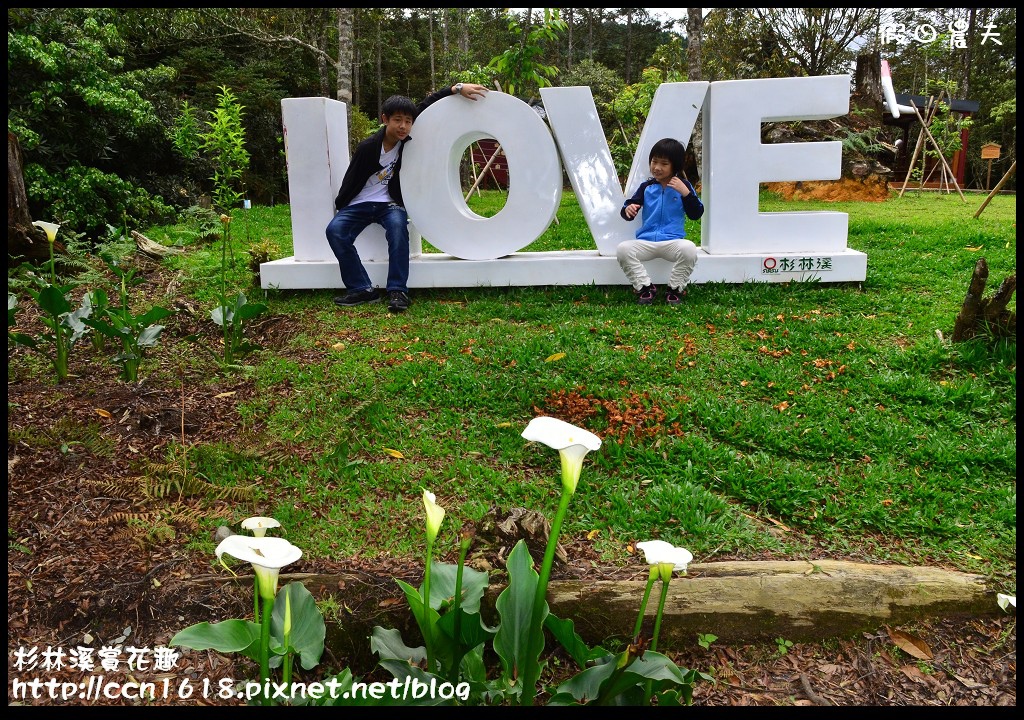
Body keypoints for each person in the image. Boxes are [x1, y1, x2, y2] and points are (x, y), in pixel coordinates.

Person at [327, 81, 488, 313]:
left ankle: (397, 291)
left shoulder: (408, 143)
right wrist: (342, 206)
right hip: (361, 203)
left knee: (398, 229)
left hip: (390, 204)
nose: (403, 126)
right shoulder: (368, 148)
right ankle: (361, 288)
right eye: (397, 120)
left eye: (408, 121)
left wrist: (456, 88)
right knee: (335, 231)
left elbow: (426, 106)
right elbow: (350, 180)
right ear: (385, 119)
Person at [617, 137, 704, 306]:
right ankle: (645, 288)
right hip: (646, 242)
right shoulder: (646, 187)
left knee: (689, 249)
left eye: (664, 164)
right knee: (623, 249)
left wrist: (686, 193)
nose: (657, 168)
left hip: (672, 242)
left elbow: (696, 213)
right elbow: (628, 210)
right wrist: (628, 209)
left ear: (675, 166)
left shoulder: (683, 186)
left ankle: (674, 290)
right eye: (654, 162)